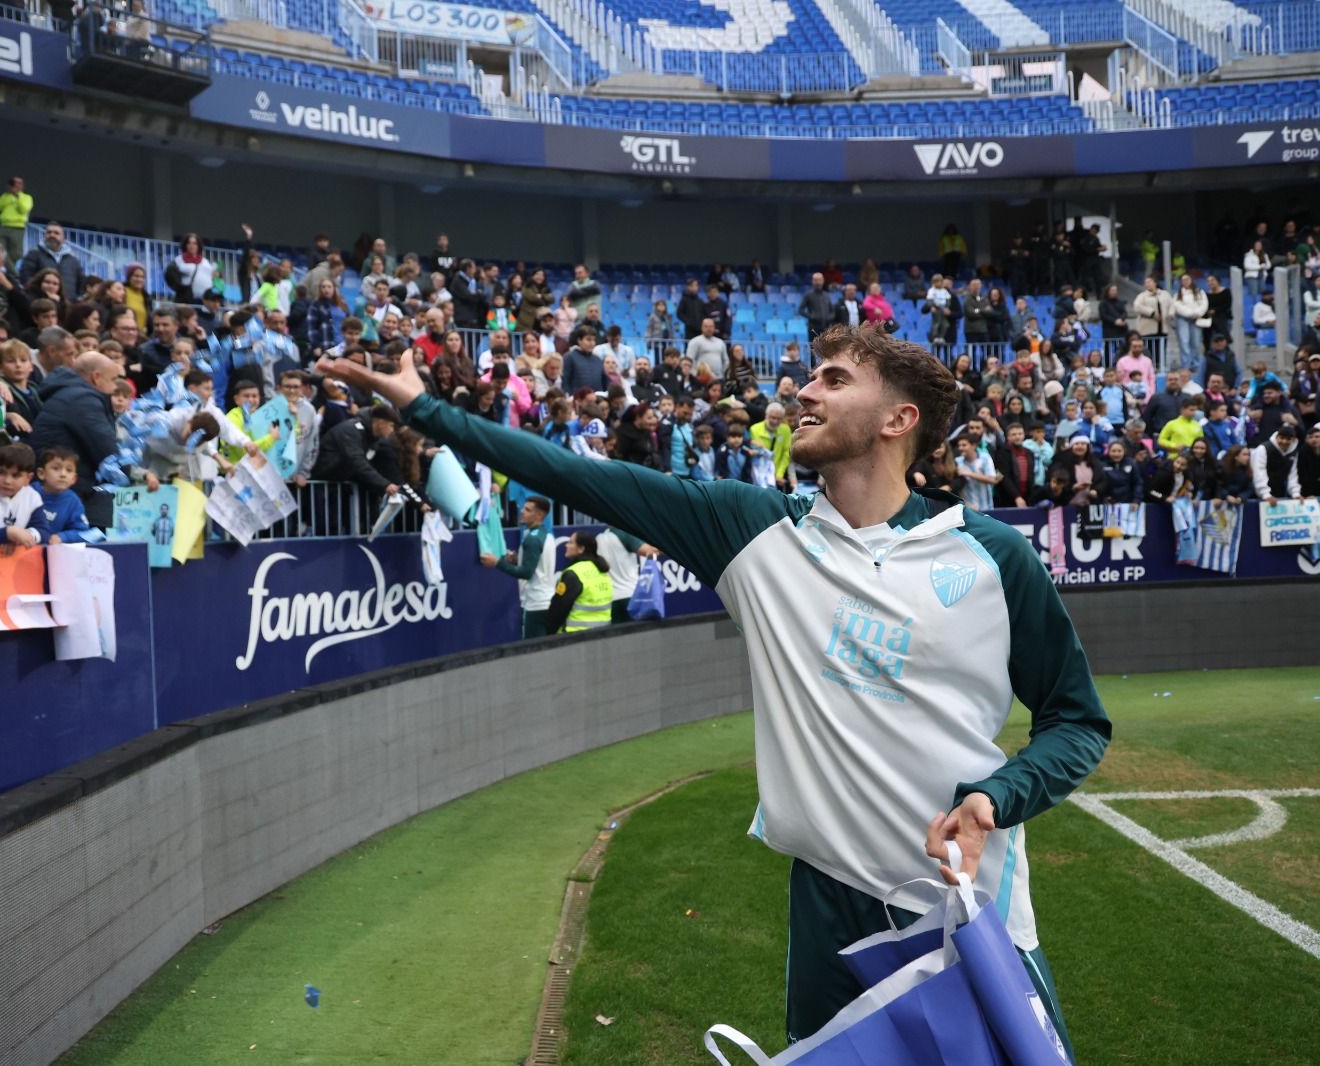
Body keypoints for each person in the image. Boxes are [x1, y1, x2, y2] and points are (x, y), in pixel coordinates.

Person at [316, 324, 1107, 1051]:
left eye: (834, 380)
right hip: (828, 905)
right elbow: (579, 476)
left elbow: (1076, 720)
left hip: (969, 905)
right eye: (810, 377)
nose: (805, 390)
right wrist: (427, 409)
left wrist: (994, 799)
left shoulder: (992, 557)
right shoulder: (753, 531)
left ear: (899, 420)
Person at [28, 352, 121, 525]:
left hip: (62, 486)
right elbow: (107, 452)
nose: (115, 387)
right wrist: (137, 475)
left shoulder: (71, 393)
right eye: (113, 379)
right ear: (96, 377)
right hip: (65, 490)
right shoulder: (83, 399)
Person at [479, 495, 557, 638]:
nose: (522, 511)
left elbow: (526, 572)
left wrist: (497, 562)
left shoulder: (532, 539)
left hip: (536, 604)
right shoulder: (545, 535)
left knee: (533, 652)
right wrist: (517, 559)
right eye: (523, 508)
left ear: (539, 515)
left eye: (527, 510)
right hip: (547, 602)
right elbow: (537, 564)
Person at [312, 404, 401, 498]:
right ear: (381, 423)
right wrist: (384, 484)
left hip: (338, 484)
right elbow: (357, 461)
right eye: (391, 425)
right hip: (321, 484)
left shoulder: (373, 438)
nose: (392, 431)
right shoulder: (351, 430)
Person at [545, 529, 613, 634]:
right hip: (602, 634)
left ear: (581, 549)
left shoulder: (573, 573)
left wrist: (550, 632)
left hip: (574, 637)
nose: (566, 545)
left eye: (571, 542)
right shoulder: (602, 571)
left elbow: (558, 609)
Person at [1251, 421, 1301, 501]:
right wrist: (1265, 494)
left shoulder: (1294, 452)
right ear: (1277, 436)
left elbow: (1293, 474)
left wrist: (1295, 493)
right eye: (1281, 438)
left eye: (1288, 439)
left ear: (1293, 439)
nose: (1284, 441)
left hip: (1279, 492)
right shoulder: (1263, 449)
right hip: (1258, 494)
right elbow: (1259, 472)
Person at [0, 175, 33, 267]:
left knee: (16, 254)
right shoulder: (5, 196)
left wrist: (18, 196)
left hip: (17, 228)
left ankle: (10, 273)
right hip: (3, 227)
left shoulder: (27, 197)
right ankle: (13, 275)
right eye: (14, 183)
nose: (17, 185)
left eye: (19, 183)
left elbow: (23, 209)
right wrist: (8, 196)